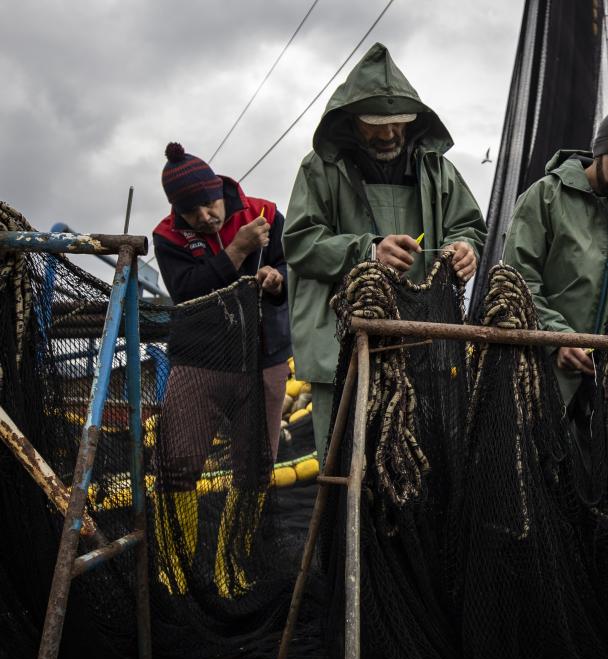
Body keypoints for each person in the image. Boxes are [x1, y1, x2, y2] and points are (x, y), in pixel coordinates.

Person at [283, 43, 486, 457]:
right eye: (377, 124)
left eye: (399, 122)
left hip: (425, 349)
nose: (390, 132)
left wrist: (466, 247)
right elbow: (300, 242)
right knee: (345, 469)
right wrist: (369, 252)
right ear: (352, 121)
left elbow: (469, 226)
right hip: (343, 349)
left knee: (425, 465)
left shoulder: (438, 170)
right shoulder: (319, 169)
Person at [151, 141, 292, 595]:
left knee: (256, 468)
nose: (205, 217)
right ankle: (176, 579)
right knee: (176, 464)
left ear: (220, 191)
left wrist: (276, 280)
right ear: (177, 211)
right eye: (192, 213)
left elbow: (293, 268)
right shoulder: (167, 235)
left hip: (264, 359)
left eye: (209, 205)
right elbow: (186, 294)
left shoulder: (264, 211)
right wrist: (236, 251)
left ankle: (235, 572)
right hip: (199, 361)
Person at [502, 105, 608, 405]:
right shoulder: (545, 197)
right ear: (598, 151)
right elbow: (517, 279)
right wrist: (556, 339)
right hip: (540, 374)